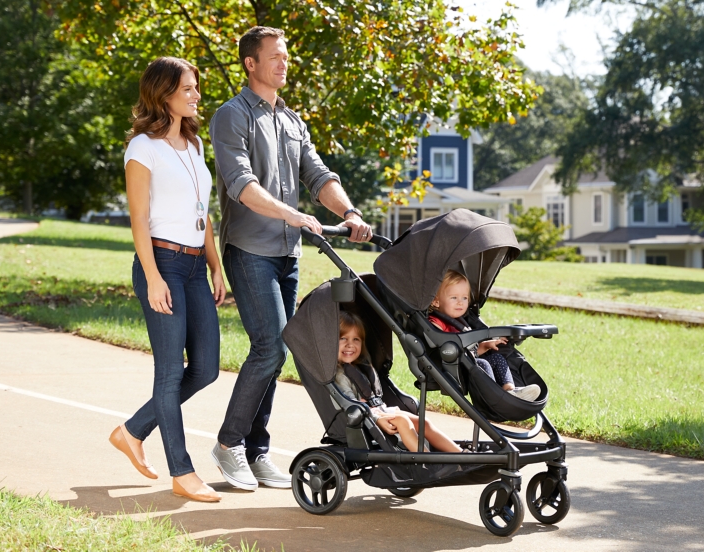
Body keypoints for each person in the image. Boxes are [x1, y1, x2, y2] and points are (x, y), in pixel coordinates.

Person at [208, 26, 374, 491]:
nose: (283, 63)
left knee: (278, 353)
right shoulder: (231, 116)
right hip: (250, 250)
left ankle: (257, 452)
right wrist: (294, 214)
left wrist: (349, 211)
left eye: (286, 56)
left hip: (288, 253)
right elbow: (241, 185)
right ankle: (228, 444)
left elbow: (318, 174)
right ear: (251, 63)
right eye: (274, 56)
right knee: (270, 347)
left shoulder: (291, 120)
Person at [109, 57, 224, 503]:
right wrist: (154, 278)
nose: (196, 95)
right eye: (188, 89)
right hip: (162, 263)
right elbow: (139, 220)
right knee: (170, 369)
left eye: (196, 87)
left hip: (195, 265)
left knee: (207, 368)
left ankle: (132, 431)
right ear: (164, 95)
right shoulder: (143, 148)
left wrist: (215, 266)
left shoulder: (193, 145)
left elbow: (203, 214)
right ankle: (182, 471)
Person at [336, 313, 462, 453]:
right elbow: (349, 405)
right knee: (403, 421)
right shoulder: (340, 376)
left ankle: (461, 455)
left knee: (423, 423)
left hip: (378, 411)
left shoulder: (358, 367)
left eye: (356, 339)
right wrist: (377, 419)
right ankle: (428, 462)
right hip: (364, 420)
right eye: (343, 338)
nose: (350, 345)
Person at [429, 270, 541, 402]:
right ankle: (496, 397)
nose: (460, 302)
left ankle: (510, 390)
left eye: (464, 298)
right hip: (453, 368)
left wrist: (487, 345)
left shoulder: (461, 323)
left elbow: (471, 351)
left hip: (469, 362)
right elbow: (442, 345)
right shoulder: (436, 323)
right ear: (436, 301)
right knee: (483, 364)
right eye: (454, 298)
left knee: (498, 358)